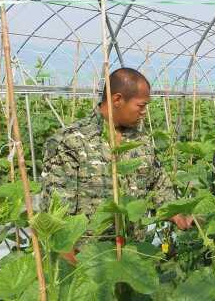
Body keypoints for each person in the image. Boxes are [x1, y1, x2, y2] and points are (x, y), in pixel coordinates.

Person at [41, 68, 193, 262]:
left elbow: (158, 183)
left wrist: (178, 214)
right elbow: (57, 216)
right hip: (90, 263)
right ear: (117, 99)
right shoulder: (70, 142)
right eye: (141, 105)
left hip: (132, 256)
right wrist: (75, 270)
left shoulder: (141, 140)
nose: (144, 112)